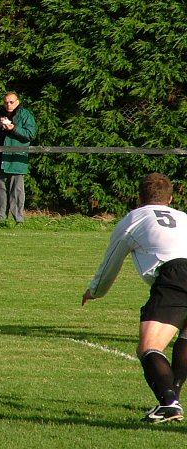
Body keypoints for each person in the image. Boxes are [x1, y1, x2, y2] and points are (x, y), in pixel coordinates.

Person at [82, 172, 187, 423]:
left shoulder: (133, 219)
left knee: (149, 347)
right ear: (170, 198)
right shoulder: (184, 217)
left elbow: (111, 263)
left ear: (139, 198)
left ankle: (170, 404)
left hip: (175, 275)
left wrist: (95, 291)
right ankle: (174, 395)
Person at [0, 90, 37, 223]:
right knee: (0, 191)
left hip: (16, 158)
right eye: (6, 102)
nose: (8, 104)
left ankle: (18, 220)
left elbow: (30, 134)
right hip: (0, 158)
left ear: (17, 102)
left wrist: (13, 128)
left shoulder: (26, 115)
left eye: (11, 102)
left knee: (17, 191)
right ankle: (0, 219)